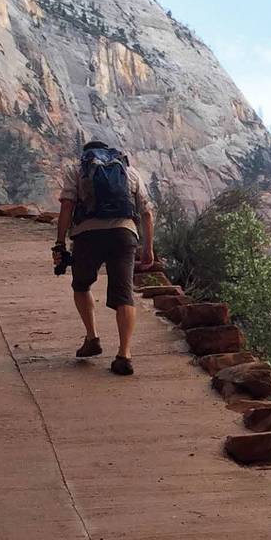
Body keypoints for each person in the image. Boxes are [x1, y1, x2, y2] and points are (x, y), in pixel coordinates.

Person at [54, 141, 154, 376]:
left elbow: (67, 206)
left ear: (86, 155)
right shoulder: (129, 172)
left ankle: (92, 337)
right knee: (124, 295)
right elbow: (147, 213)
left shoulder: (77, 171)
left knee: (81, 285)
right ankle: (124, 354)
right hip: (124, 234)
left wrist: (60, 242)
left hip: (87, 236)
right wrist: (148, 248)